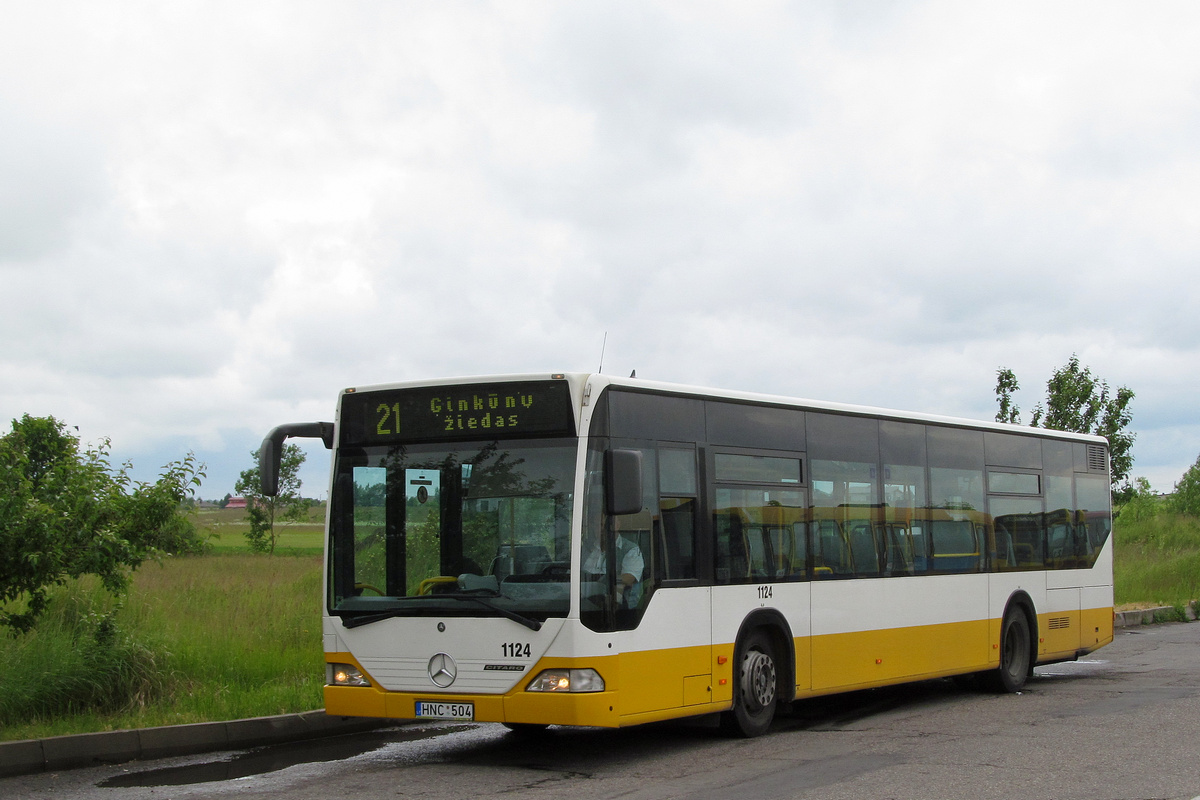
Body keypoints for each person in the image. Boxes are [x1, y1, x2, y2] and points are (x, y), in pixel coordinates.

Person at [582, 516, 645, 609]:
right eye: (598, 525)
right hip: (581, 601)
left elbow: (629, 578)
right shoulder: (586, 549)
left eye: (607, 525)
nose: (603, 529)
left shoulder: (630, 549)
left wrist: (603, 580)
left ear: (618, 525)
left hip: (614, 605)